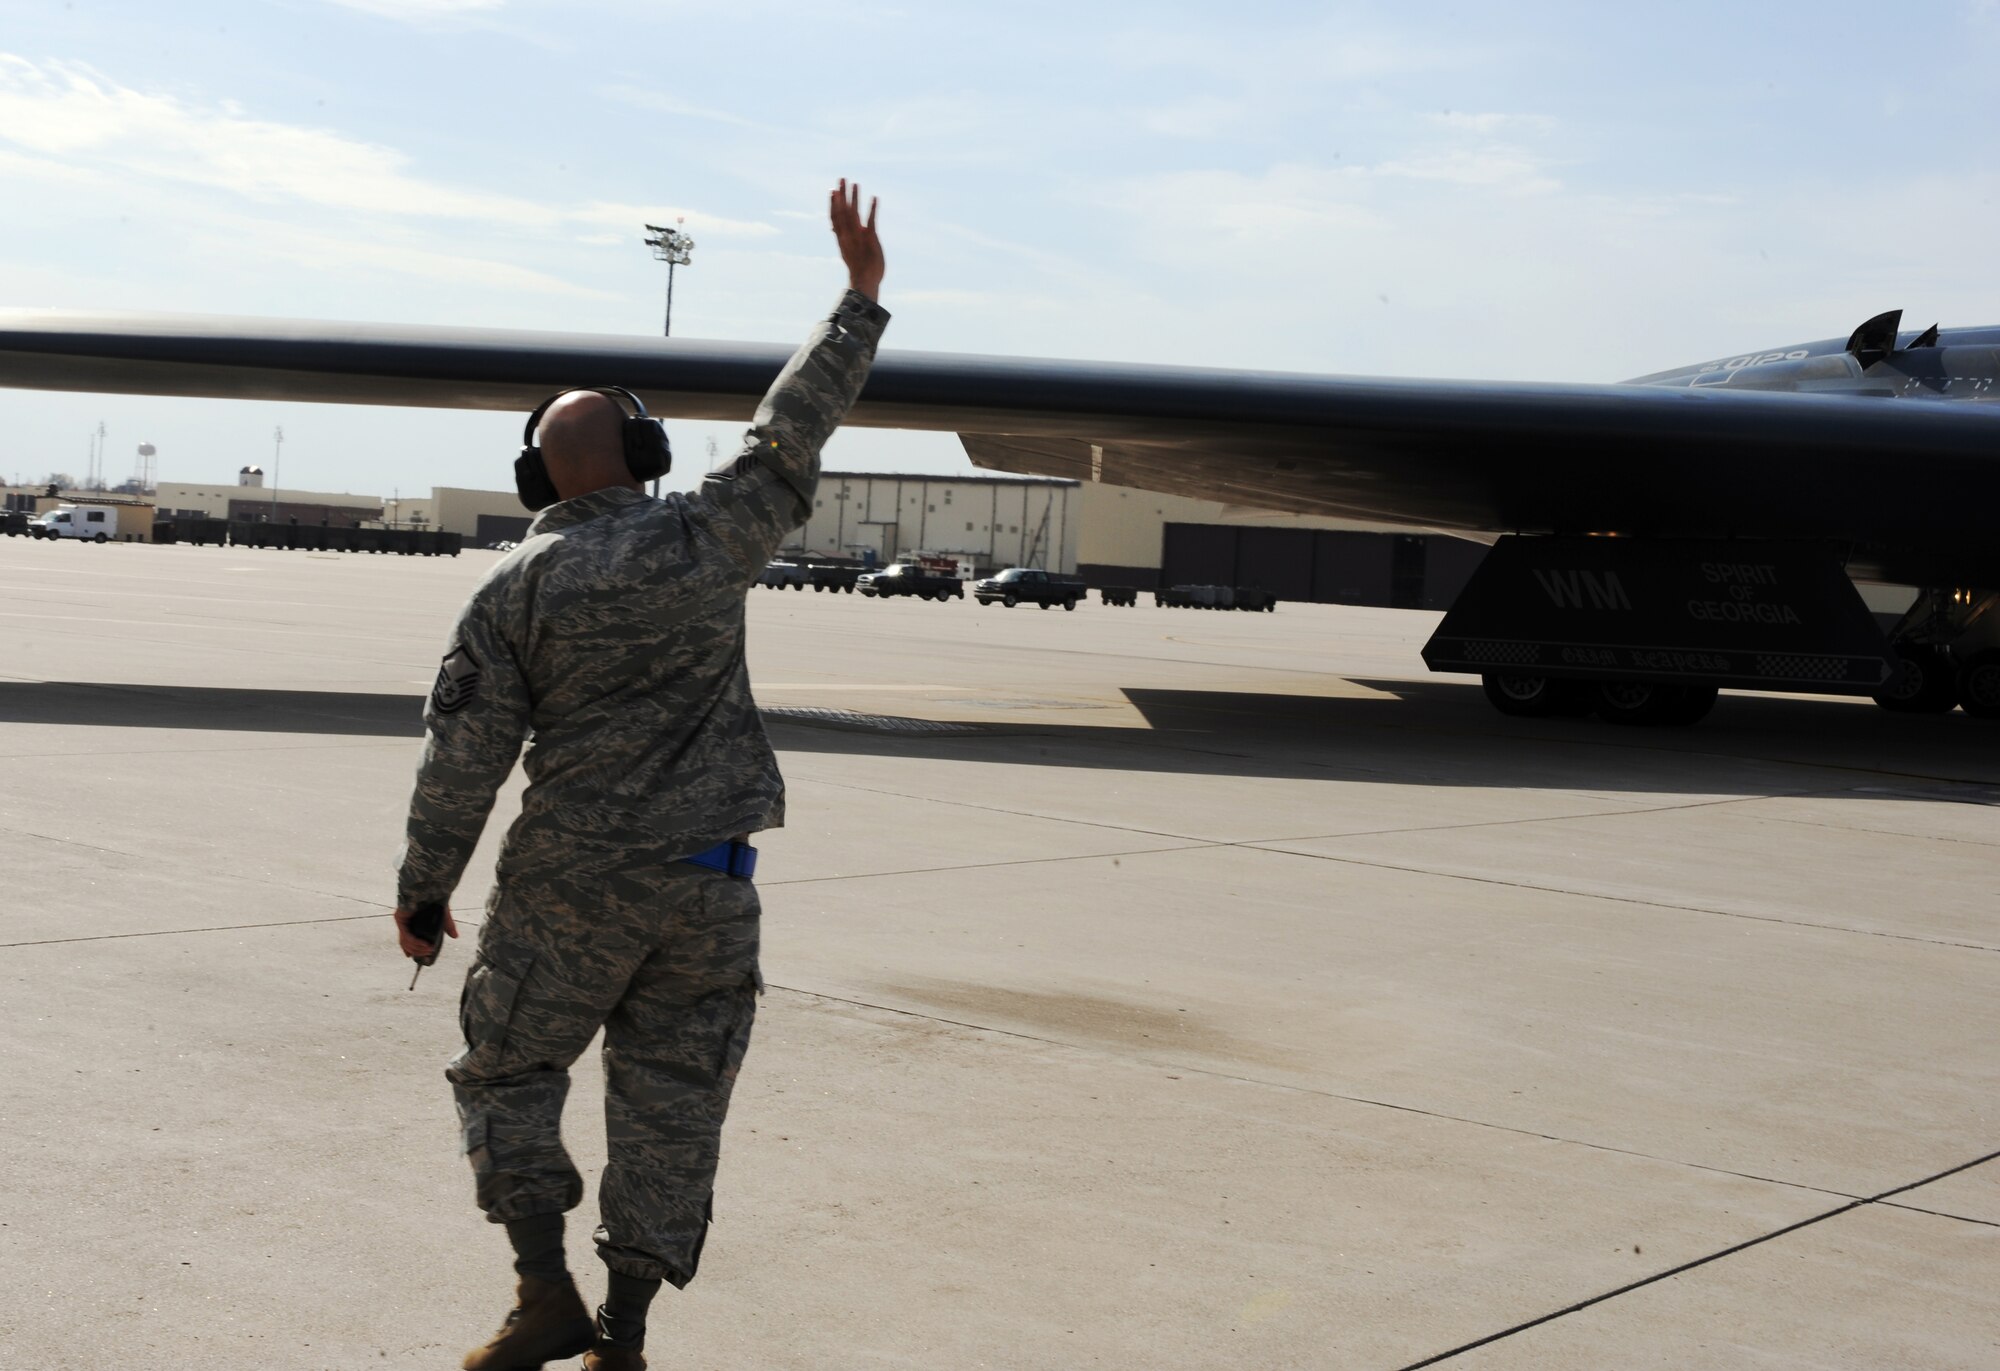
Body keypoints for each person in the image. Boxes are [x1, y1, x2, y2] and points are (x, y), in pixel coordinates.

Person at [392, 180, 887, 1371]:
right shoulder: (706, 539)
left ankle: (540, 1292)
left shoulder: (512, 590)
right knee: (671, 1108)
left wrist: (422, 893)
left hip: (568, 885)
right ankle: (624, 1339)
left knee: (504, 1071)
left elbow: (464, 760)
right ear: (648, 457)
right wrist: (857, 301)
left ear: (537, 480)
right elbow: (788, 429)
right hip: (710, 891)